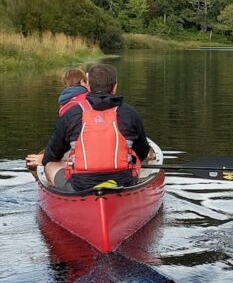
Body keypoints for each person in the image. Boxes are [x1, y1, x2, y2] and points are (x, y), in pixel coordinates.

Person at [26, 63, 151, 192]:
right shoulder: (130, 113)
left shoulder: (72, 114)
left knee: (50, 166)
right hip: (123, 182)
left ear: (89, 86)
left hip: (81, 185)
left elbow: (53, 154)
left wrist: (50, 160)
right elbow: (142, 152)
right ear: (114, 88)